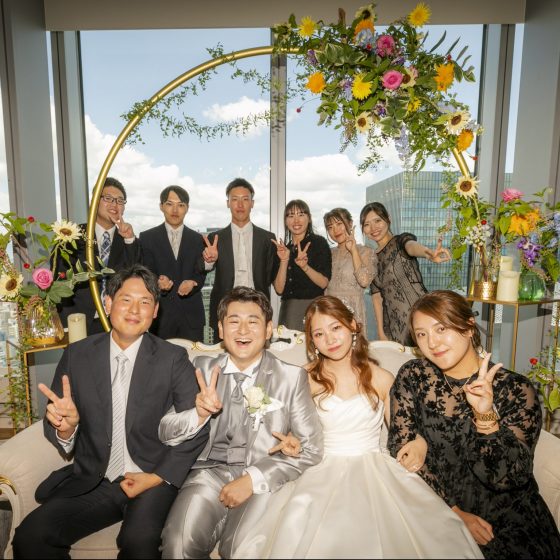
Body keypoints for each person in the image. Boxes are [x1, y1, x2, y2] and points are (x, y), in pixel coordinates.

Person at [234, 295, 481, 559]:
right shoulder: (304, 379)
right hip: (320, 469)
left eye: (336, 328)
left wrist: (419, 441)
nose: (329, 339)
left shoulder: (381, 378)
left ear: (352, 325)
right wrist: (292, 443)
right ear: (312, 341)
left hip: (375, 468)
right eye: (319, 334)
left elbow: (403, 433)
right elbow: (290, 432)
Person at [12, 264, 209, 559]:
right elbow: (57, 421)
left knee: (139, 543)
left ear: (155, 311)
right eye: (126, 299)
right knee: (31, 536)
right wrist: (66, 428)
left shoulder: (172, 358)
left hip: (150, 478)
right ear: (108, 303)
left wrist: (157, 477)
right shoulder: (77, 355)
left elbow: (198, 429)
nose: (135, 310)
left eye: (145, 302)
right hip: (96, 479)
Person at [388, 290, 560, 559]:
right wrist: (454, 512)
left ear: (469, 327)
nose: (432, 342)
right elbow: (400, 447)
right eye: (422, 334)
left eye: (441, 328)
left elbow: (509, 479)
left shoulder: (515, 388)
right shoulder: (413, 376)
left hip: (506, 518)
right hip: (439, 508)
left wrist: (486, 417)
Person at [158, 286, 323, 559]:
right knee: (178, 544)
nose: (243, 330)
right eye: (234, 321)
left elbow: (312, 448)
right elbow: (165, 431)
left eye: (253, 321)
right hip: (207, 475)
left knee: (241, 549)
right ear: (221, 329)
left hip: (262, 477)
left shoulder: (291, 377)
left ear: (268, 330)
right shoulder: (200, 368)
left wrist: (253, 479)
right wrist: (198, 414)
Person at [57, 177, 141, 334]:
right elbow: (60, 280)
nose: (114, 204)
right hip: (79, 322)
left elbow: (137, 275)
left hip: (118, 323)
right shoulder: (72, 236)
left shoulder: (129, 241)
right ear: (94, 201)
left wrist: (129, 239)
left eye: (120, 201)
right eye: (108, 198)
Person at [360, 201, 450, 345]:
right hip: (394, 326)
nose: (373, 228)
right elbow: (376, 297)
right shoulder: (372, 258)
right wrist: (381, 332)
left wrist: (428, 253)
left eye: (377, 221)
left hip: (420, 315)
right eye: (367, 224)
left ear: (388, 218)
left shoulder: (400, 241)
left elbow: (411, 246)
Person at [202, 178, 279, 341]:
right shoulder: (215, 238)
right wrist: (209, 261)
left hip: (258, 306)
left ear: (252, 203)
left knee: (258, 350)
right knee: (223, 353)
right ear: (228, 203)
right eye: (235, 199)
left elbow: (270, 276)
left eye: (245, 199)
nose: (240, 204)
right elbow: (201, 269)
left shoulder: (267, 239)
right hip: (225, 307)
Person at [139, 185, 206, 341]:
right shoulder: (147, 238)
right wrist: (156, 281)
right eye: (169, 204)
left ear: (187, 208)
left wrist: (193, 282)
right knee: (159, 357)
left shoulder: (198, 239)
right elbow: (145, 271)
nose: (175, 210)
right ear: (161, 206)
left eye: (180, 205)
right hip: (160, 317)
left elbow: (201, 272)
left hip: (191, 317)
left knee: (194, 356)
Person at [273, 199, 331, 330]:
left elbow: (324, 283)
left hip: (313, 308)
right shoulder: (283, 250)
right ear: (285, 221)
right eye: (291, 216)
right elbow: (279, 289)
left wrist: (305, 267)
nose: (296, 220)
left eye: (301, 215)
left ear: (309, 218)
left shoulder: (318, 243)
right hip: (288, 310)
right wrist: (284, 260)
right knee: (286, 342)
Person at [324, 207, 376, 337]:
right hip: (329, 310)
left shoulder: (366, 251)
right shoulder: (327, 253)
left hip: (352, 313)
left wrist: (353, 251)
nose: (335, 230)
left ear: (350, 223)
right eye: (330, 227)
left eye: (339, 224)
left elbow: (364, 281)